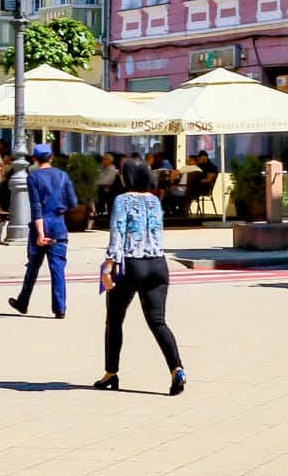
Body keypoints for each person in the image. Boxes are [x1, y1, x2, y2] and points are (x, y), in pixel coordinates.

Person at [95, 159, 185, 395]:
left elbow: (118, 233)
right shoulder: (155, 200)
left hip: (131, 264)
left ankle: (111, 372)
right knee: (158, 321)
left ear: (127, 177)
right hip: (158, 264)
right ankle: (177, 369)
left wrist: (107, 267)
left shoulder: (122, 200)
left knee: (114, 320)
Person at [10, 144, 78, 318]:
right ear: (51, 156)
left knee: (33, 266)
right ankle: (60, 308)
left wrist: (40, 234)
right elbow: (72, 203)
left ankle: (23, 301)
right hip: (58, 224)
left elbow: (36, 207)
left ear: (34, 159)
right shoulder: (63, 176)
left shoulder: (33, 177)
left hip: (41, 225)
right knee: (58, 268)